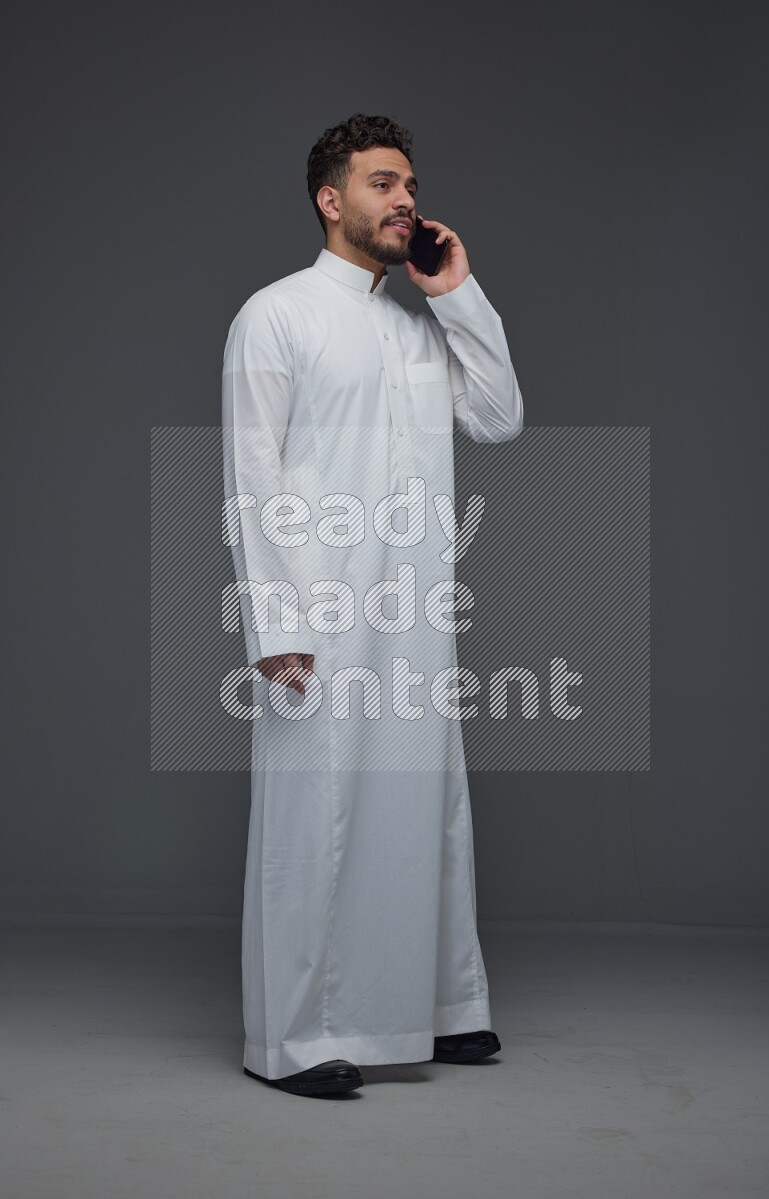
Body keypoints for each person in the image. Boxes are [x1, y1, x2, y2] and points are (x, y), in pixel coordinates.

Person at [221, 113, 524, 1098]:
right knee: (315, 815)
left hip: (413, 606)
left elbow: (497, 416)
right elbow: (252, 476)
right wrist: (276, 627)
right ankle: (291, 1037)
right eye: (383, 184)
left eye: (409, 186)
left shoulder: (413, 326)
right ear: (330, 197)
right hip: (317, 606)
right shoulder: (276, 314)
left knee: (424, 803)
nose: (404, 201)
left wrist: (456, 292)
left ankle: (443, 1006)